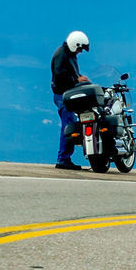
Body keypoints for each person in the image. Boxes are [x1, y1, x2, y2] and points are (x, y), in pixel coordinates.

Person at [51, 30, 91, 170]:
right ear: (75, 44)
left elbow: (69, 72)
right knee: (68, 125)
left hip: (68, 94)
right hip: (63, 96)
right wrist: (76, 79)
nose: (80, 51)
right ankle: (63, 159)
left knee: (71, 124)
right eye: (80, 48)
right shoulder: (61, 55)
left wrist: (80, 78)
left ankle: (65, 157)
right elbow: (60, 76)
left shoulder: (68, 54)